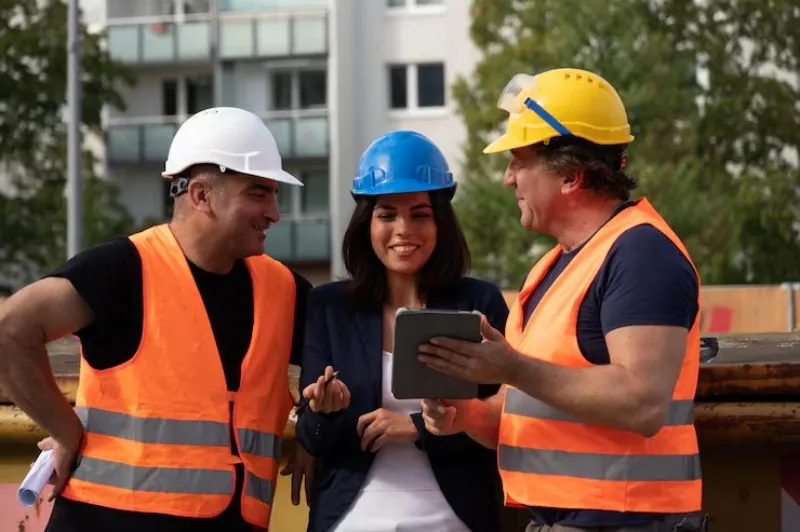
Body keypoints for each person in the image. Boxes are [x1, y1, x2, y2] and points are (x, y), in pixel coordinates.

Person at [418, 68, 708, 532]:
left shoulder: (642, 255)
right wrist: (467, 415)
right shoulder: (554, 267)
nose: (508, 178)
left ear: (571, 176)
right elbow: (529, 410)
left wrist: (510, 367)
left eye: (518, 160)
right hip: (568, 520)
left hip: (630, 520)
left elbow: (643, 404)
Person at [0, 107, 312, 532]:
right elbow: (10, 331)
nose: (274, 212)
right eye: (258, 193)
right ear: (201, 195)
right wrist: (65, 429)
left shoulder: (284, 290)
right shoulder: (124, 270)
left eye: (274, 194)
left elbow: (354, 357)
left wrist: (316, 430)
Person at [294, 130, 509, 532]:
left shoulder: (479, 305)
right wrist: (324, 411)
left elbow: (503, 426)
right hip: (351, 521)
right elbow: (314, 438)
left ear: (441, 221)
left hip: (454, 521)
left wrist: (413, 428)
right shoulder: (330, 308)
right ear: (366, 222)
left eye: (420, 214)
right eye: (387, 213)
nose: (403, 229)